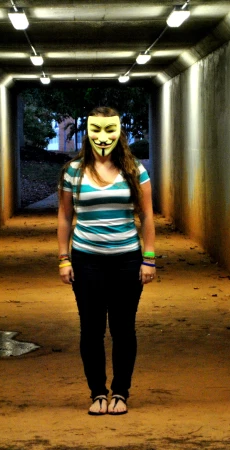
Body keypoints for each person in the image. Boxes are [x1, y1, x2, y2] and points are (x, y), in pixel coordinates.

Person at [57, 106, 156, 416]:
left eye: (109, 130)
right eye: (96, 130)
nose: (103, 138)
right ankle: (98, 393)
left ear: (119, 132)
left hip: (127, 260)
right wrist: (63, 258)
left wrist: (149, 258)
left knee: (124, 329)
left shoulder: (135, 170)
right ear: (87, 132)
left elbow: (147, 215)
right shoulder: (73, 171)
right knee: (91, 330)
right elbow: (64, 216)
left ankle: (121, 393)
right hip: (87, 262)